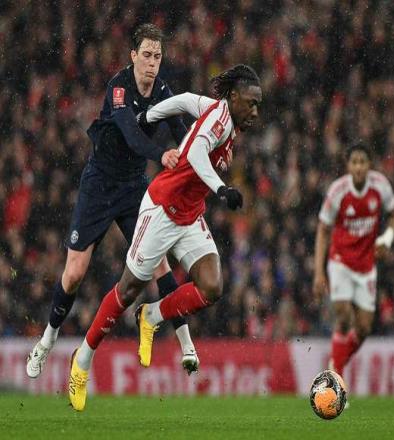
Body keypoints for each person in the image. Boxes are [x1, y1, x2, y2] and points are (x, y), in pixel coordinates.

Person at [67, 64, 262, 411]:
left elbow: (184, 100)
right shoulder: (220, 121)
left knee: (212, 286)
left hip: (189, 214)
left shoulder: (219, 110)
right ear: (234, 98)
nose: (255, 112)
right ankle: (82, 359)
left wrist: (150, 114)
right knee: (127, 289)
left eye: (258, 105)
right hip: (162, 209)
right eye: (251, 103)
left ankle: (152, 316)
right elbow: (195, 152)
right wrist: (221, 189)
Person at [27, 23, 198, 379]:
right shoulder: (118, 87)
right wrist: (161, 154)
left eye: (158, 56)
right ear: (133, 56)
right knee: (74, 274)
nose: (152, 63)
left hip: (133, 188)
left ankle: (187, 345)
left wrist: (201, 152)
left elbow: (182, 130)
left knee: (160, 263)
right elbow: (131, 135)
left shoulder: (163, 92)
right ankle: (47, 340)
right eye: (146, 55)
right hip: (100, 184)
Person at [313, 144, 394, 377]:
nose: (359, 167)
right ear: (348, 166)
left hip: (366, 266)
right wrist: (319, 272)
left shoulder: (380, 186)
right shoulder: (338, 191)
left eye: (363, 162)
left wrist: (387, 238)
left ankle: (335, 363)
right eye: (354, 162)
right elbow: (323, 230)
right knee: (343, 315)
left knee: (364, 328)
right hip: (340, 261)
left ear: (370, 165)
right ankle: (336, 376)